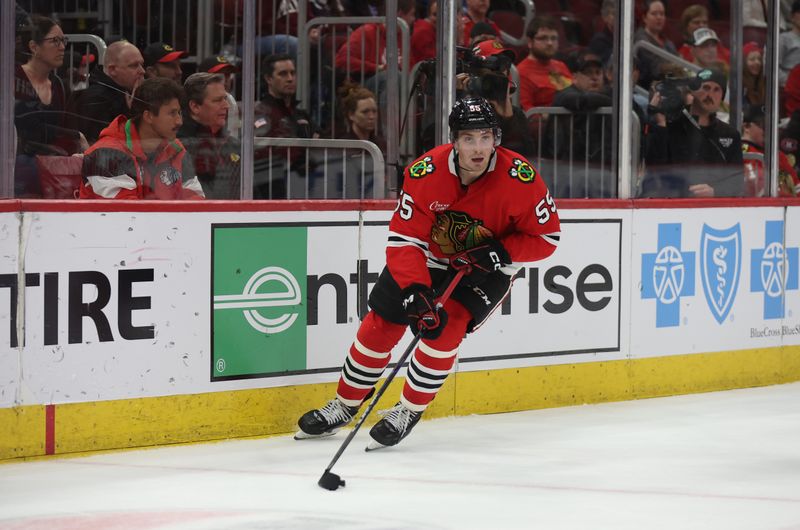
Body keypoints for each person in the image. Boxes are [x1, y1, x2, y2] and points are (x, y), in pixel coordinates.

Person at [295, 96, 561, 449]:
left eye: (485, 137)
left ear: (496, 137)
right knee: (380, 325)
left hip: (485, 270)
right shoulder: (426, 172)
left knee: (444, 331)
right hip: (428, 259)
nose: (478, 148)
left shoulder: (520, 178)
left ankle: (408, 409)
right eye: (468, 138)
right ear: (454, 139)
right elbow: (405, 240)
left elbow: (547, 238)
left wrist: (499, 252)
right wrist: (415, 289)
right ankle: (345, 404)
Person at [79, 77, 205, 200]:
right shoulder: (106, 153)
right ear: (148, 116)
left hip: (164, 221)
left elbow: (196, 203)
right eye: (172, 113)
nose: (179, 121)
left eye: (179, 113)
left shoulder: (176, 149)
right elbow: (127, 213)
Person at [640, 68, 744, 198]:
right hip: (673, 205)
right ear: (693, 91)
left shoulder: (730, 134)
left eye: (716, 89)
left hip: (714, 210)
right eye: (705, 87)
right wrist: (661, 123)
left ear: (722, 97)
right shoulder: (670, 126)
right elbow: (654, 170)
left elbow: (737, 181)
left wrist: (715, 191)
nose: (710, 94)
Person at [14, 15, 86, 197]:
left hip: (51, 174)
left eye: (63, 40)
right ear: (33, 47)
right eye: (55, 41)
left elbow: (69, 131)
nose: (62, 47)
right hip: (17, 174)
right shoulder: (12, 80)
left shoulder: (60, 85)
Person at [543, 49, 614, 198]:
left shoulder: (609, 96)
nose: (594, 77)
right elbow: (582, 101)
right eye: (588, 73)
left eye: (597, 72)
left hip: (600, 167)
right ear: (574, 77)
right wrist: (615, 103)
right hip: (568, 169)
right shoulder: (564, 95)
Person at [253, 53, 318, 199]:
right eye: (283, 74)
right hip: (270, 191)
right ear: (268, 78)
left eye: (292, 73)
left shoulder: (301, 114)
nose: (290, 79)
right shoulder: (259, 113)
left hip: (306, 189)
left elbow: (319, 148)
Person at [68, 40, 145, 143]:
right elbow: (104, 144)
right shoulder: (95, 98)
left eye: (142, 64)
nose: (142, 71)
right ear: (112, 70)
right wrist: (132, 112)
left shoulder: (126, 91)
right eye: (134, 66)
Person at [178, 72, 241, 199]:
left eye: (225, 99)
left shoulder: (233, 144)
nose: (226, 106)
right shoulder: (178, 145)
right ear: (195, 106)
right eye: (218, 100)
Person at [469, 39, 533, 160]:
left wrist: (507, 116)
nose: (502, 71)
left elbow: (528, 152)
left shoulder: (516, 113)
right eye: (495, 65)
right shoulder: (464, 107)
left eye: (505, 64)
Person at [517, 15, 573, 113]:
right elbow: (526, 114)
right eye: (543, 38)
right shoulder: (520, 73)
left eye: (554, 38)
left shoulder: (561, 66)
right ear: (530, 42)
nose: (550, 43)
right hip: (546, 126)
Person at [741, 105, 800, 197]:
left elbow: (797, 187)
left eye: (772, 125)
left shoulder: (778, 155)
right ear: (746, 127)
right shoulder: (741, 153)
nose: (769, 129)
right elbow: (758, 191)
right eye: (763, 125)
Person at [634, 0, 678, 90]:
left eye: (662, 14)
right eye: (654, 14)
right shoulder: (641, 41)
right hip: (647, 90)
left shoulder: (668, 43)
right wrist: (678, 69)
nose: (659, 17)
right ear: (644, 17)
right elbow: (656, 69)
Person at [198, 55, 241, 138]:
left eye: (227, 75)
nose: (225, 80)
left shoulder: (232, 104)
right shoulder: (191, 105)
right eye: (218, 76)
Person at [588, 0, 616, 65]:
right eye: (614, 13)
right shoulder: (598, 41)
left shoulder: (626, 38)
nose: (619, 17)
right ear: (605, 17)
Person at [411, 0, 437, 67]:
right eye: (435, 15)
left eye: (442, 14)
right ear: (429, 15)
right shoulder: (423, 32)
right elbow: (430, 65)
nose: (439, 18)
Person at [780, 1, 800, 87]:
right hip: (789, 90)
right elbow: (771, 69)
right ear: (792, 17)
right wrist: (792, 81)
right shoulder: (783, 39)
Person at [742, 41, 765, 109]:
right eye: (752, 59)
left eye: (759, 59)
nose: (757, 62)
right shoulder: (738, 85)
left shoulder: (764, 83)